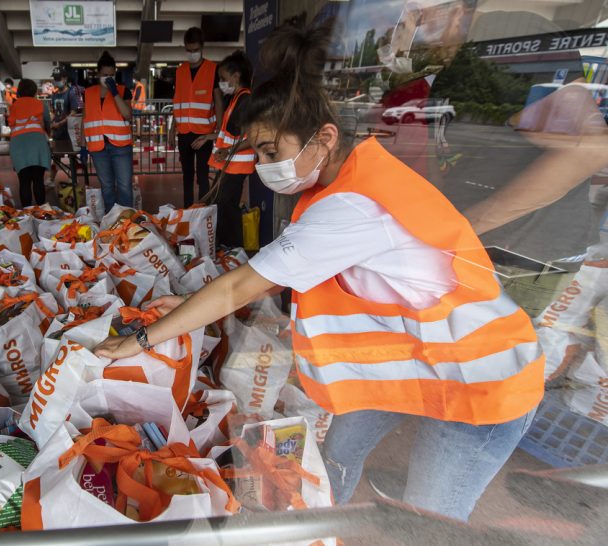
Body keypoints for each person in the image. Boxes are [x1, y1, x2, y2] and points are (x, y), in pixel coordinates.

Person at [95, 18, 543, 523]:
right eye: (258, 154)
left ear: (325, 136)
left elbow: (244, 284)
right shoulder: (344, 176)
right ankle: (325, 530)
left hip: (482, 377)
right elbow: (286, 280)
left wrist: (144, 339)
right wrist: (191, 308)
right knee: (333, 459)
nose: (265, 166)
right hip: (407, 360)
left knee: (429, 518)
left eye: (271, 152)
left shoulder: (349, 207)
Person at [169, 26, 224, 207]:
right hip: (184, 133)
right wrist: (171, 129)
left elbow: (218, 102)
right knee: (186, 176)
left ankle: (203, 210)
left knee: (202, 175)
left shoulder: (212, 70)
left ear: (202, 47)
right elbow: (177, 103)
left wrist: (219, 131)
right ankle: (187, 211)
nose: (192, 53)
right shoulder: (179, 72)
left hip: (203, 134)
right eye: (189, 50)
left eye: (195, 50)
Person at [205, 51, 255, 248]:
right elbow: (226, 131)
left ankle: (234, 247)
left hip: (236, 165)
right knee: (220, 204)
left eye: (223, 79)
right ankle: (225, 244)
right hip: (228, 164)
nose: (221, 83)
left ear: (236, 76)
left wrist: (228, 151)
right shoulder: (235, 98)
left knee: (228, 206)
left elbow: (252, 136)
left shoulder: (245, 100)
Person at [81, 51, 133, 212]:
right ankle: (112, 222)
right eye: (105, 75)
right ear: (98, 74)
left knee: (124, 186)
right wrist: (83, 147)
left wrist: (115, 93)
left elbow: (127, 115)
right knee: (107, 188)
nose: (108, 78)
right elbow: (85, 120)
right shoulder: (88, 93)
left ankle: (126, 222)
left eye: (112, 75)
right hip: (98, 148)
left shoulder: (123, 91)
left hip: (121, 146)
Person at [8, 79, 51, 207]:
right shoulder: (41, 104)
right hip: (38, 145)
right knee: (38, 181)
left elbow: (11, 125)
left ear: (20, 91)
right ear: (34, 91)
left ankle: (26, 213)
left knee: (24, 181)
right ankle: (41, 213)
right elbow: (47, 123)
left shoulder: (14, 106)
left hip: (19, 147)